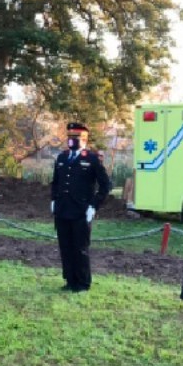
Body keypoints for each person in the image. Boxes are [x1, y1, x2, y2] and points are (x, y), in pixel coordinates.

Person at [50, 122, 111, 292]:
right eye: (69, 137)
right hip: (63, 209)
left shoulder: (91, 159)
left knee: (80, 248)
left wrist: (94, 206)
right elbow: (56, 182)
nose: (71, 141)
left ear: (83, 139)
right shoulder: (62, 157)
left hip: (80, 211)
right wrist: (54, 199)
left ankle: (82, 283)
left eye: (74, 138)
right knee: (66, 247)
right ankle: (70, 280)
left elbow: (105, 185)